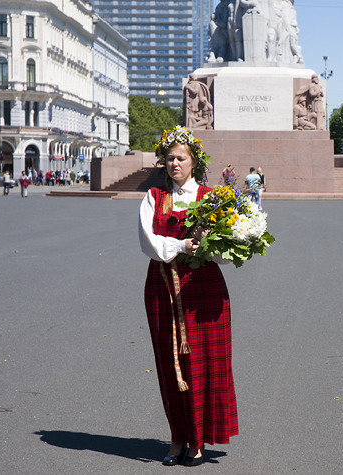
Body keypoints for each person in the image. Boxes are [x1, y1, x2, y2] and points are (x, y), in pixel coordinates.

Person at [139, 126, 238, 467]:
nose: (175, 164)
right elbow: (148, 243)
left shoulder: (211, 198)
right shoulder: (154, 197)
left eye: (181, 158)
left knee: (206, 362)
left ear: (194, 162)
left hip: (203, 289)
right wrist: (181, 245)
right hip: (163, 287)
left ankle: (198, 440)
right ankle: (177, 436)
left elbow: (226, 250)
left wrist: (220, 244)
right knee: (169, 365)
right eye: (169, 158)